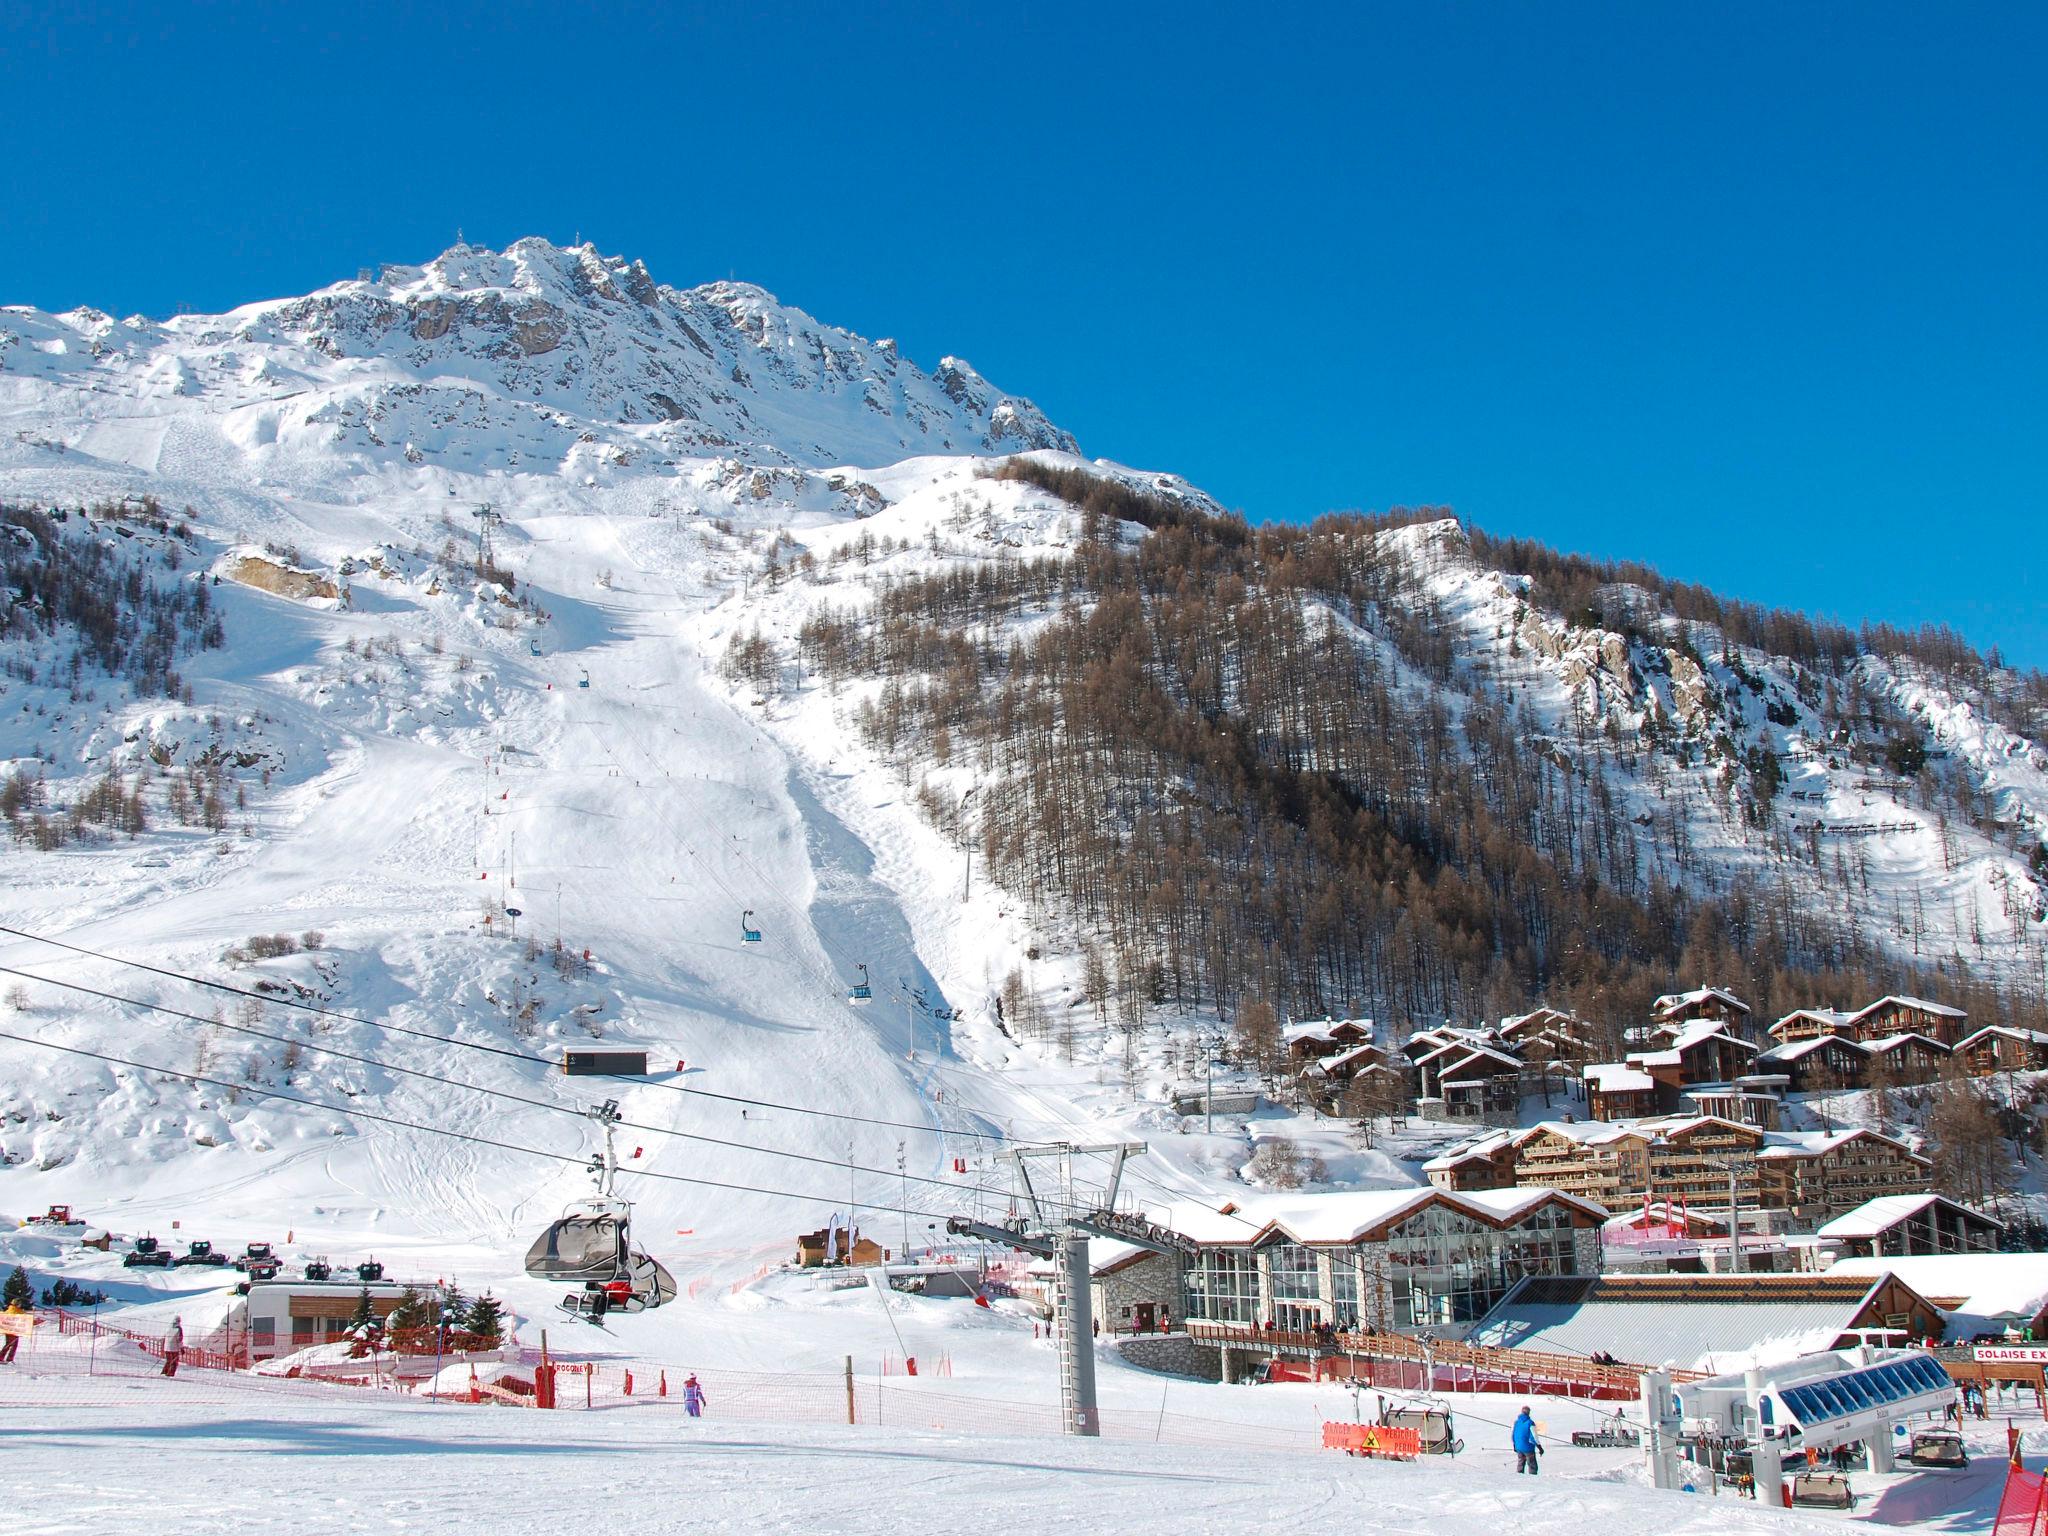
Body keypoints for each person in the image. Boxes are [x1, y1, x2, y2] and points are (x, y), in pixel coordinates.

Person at [1512, 1405, 1540, 1474]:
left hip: (1518, 1447)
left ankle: (1519, 1477)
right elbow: (1534, 1437)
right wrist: (1540, 1448)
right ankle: (1533, 1479)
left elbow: (1513, 1435)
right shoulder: (1530, 1422)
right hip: (1528, 1448)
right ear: (1528, 1413)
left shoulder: (1516, 1422)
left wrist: (1515, 1446)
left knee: (1520, 1463)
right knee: (1532, 1465)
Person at [0, 1297, 27, 1364]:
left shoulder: (9, 1310)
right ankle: (6, 1358)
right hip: (13, 1331)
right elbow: (23, 1317)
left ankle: (4, 1358)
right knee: (12, 1345)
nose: (20, 1305)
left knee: (9, 1344)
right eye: (19, 1304)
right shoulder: (17, 1311)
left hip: (9, 1330)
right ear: (17, 1304)